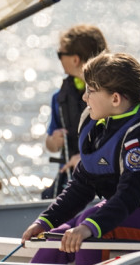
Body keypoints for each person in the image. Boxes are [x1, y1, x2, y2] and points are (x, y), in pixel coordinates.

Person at [21, 52, 140, 265]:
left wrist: (89, 227)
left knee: (89, 234)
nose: (84, 97)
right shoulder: (100, 125)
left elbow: (130, 195)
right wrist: (45, 221)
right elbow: (81, 185)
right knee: (59, 235)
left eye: (90, 91)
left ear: (115, 98)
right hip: (125, 211)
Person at [41, 24, 108, 199]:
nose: (59, 59)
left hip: (104, 175)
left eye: (60, 54)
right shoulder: (59, 98)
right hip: (71, 177)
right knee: (48, 197)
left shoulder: (112, 96)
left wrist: (86, 160)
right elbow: (50, 144)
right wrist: (53, 141)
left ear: (75, 59)